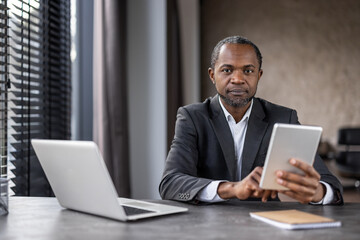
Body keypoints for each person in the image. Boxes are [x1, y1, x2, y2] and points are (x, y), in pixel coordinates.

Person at [159, 36, 343, 205]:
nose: (238, 79)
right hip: (206, 225)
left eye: (248, 70)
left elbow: (332, 185)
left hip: (266, 225)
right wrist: (232, 189)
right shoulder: (192, 117)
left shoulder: (283, 117)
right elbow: (170, 184)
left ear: (259, 76)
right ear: (212, 75)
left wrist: (318, 192)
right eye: (227, 70)